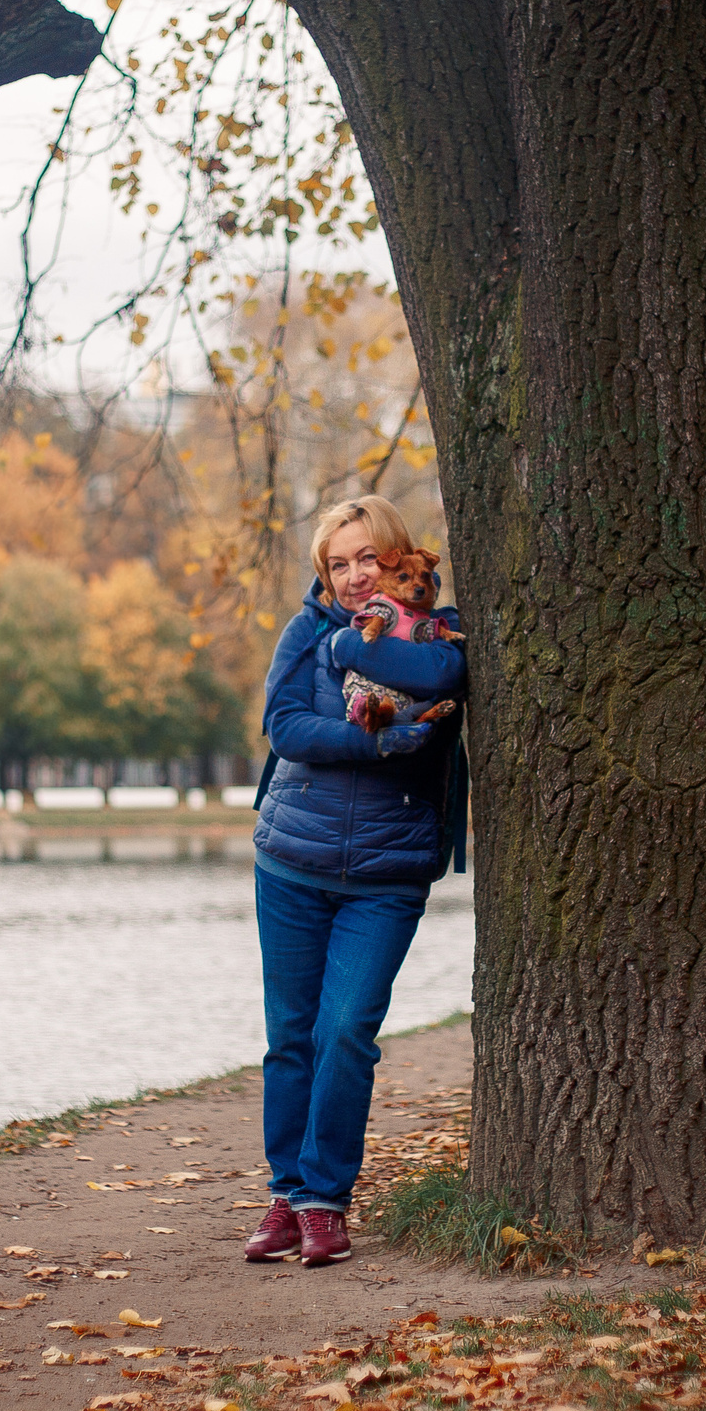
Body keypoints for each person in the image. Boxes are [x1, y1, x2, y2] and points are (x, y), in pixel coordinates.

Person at [242, 494, 467, 1269]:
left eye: (366, 557)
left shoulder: (434, 628)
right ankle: (286, 1193)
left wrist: (350, 654)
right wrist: (377, 741)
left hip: (388, 873)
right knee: (291, 1037)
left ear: (398, 557)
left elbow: (440, 675)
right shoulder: (304, 631)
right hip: (291, 863)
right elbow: (287, 728)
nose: (353, 575)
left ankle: (325, 1200)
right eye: (338, 564)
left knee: (346, 1032)